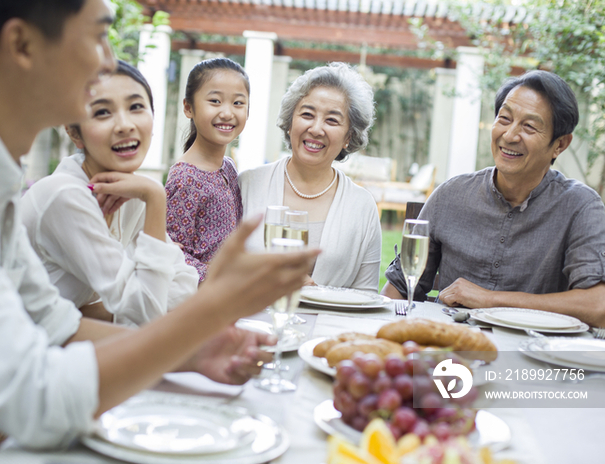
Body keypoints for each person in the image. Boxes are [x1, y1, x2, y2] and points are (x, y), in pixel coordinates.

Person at [0, 1, 319, 464]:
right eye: (99, 35)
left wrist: (195, 352)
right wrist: (211, 308)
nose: (107, 60)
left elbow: (56, 325)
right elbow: (36, 398)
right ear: (22, 45)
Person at [382, 70, 605, 327]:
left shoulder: (581, 207)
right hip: (448, 353)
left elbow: (598, 307)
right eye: (504, 118)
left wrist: (490, 299)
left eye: (529, 126)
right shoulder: (449, 195)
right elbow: (398, 289)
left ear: (560, 144)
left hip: (533, 359)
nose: (510, 135)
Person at [21, 60, 198, 327]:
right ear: (73, 132)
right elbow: (146, 310)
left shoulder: (131, 192)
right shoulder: (63, 196)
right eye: (103, 112)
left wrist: (89, 313)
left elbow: (185, 286)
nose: (125, 125)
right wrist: (156, 197)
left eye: (136, 106)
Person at [239, 62, 382, 292]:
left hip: (332, 327)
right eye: (307, 114)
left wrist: (317, 293)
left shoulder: (362, 206)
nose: (316, 129)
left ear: (349, 136)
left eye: (332, 120)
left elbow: (366, 296)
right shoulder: (246, 186)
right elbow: (218, 270)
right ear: (290, 122)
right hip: (250, 323)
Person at [165, 58, 248, 282]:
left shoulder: (228, 167)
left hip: (226, 298)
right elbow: (171, 255)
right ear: (188, 107)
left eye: (238, 103)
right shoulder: (185, 178)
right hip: (198, 303)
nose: (227, 113)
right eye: (215, 101)